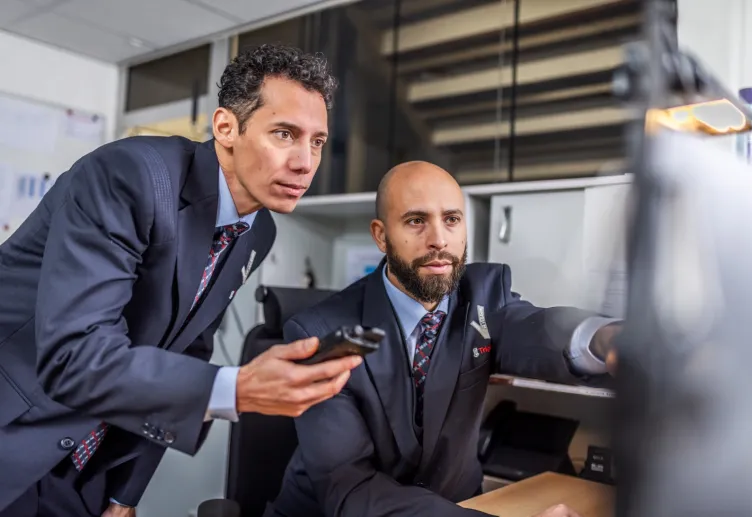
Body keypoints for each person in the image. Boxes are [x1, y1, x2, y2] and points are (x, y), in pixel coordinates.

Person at [0, 44, 362, 517]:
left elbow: (186, 348)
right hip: (15, 432)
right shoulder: (129, 176)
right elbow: (75, 353)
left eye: (316, 142)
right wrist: (235, 388)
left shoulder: (259, 230)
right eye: (284, 134)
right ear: (225, 127)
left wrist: (124, 493)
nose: (305, 162)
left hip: (91, 464)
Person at [267, 161, 620, 517]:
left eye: (451, 219)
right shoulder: (322, 332)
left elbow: (536, 328)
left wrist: (604, 339)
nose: (439, 239)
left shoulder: (482, 297)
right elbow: (353, 489)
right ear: (380, 235)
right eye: (416, 221)